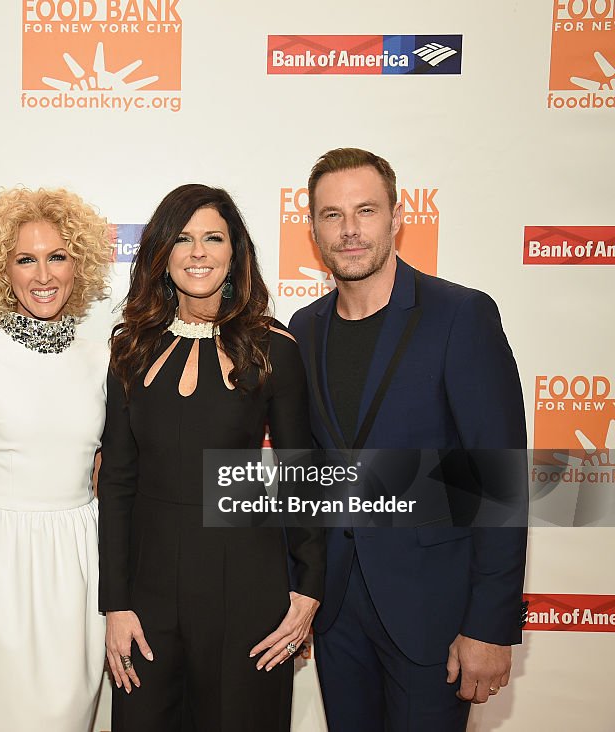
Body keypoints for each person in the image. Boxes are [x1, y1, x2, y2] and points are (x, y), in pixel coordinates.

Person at [288, 148, 527, 731]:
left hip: (434, 613)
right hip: (337, 609)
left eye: (365, 210)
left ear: (397, 217)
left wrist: (489, 626)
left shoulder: (459, 315)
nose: (349, 230)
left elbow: (498, 478)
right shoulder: (304, 328)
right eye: (331, 215)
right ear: (313, 227)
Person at [98, 183, 325, 731]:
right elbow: (117, 484)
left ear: (234, 252)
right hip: (148, 594)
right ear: (161, 252)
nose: (198, 252)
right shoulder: (130, 347)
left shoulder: (273, 345)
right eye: (183, 238)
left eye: (213, 238)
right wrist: (115, 603)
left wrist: (310, 588)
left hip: (246, 584)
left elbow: (301, 475)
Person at [0, 187, 113, 731]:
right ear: (1, 270)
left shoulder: (103, 361)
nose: (43, 274)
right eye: (25, 259)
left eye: (57, 256)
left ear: (78, 264)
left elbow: (106, 477)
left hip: (80, 561)